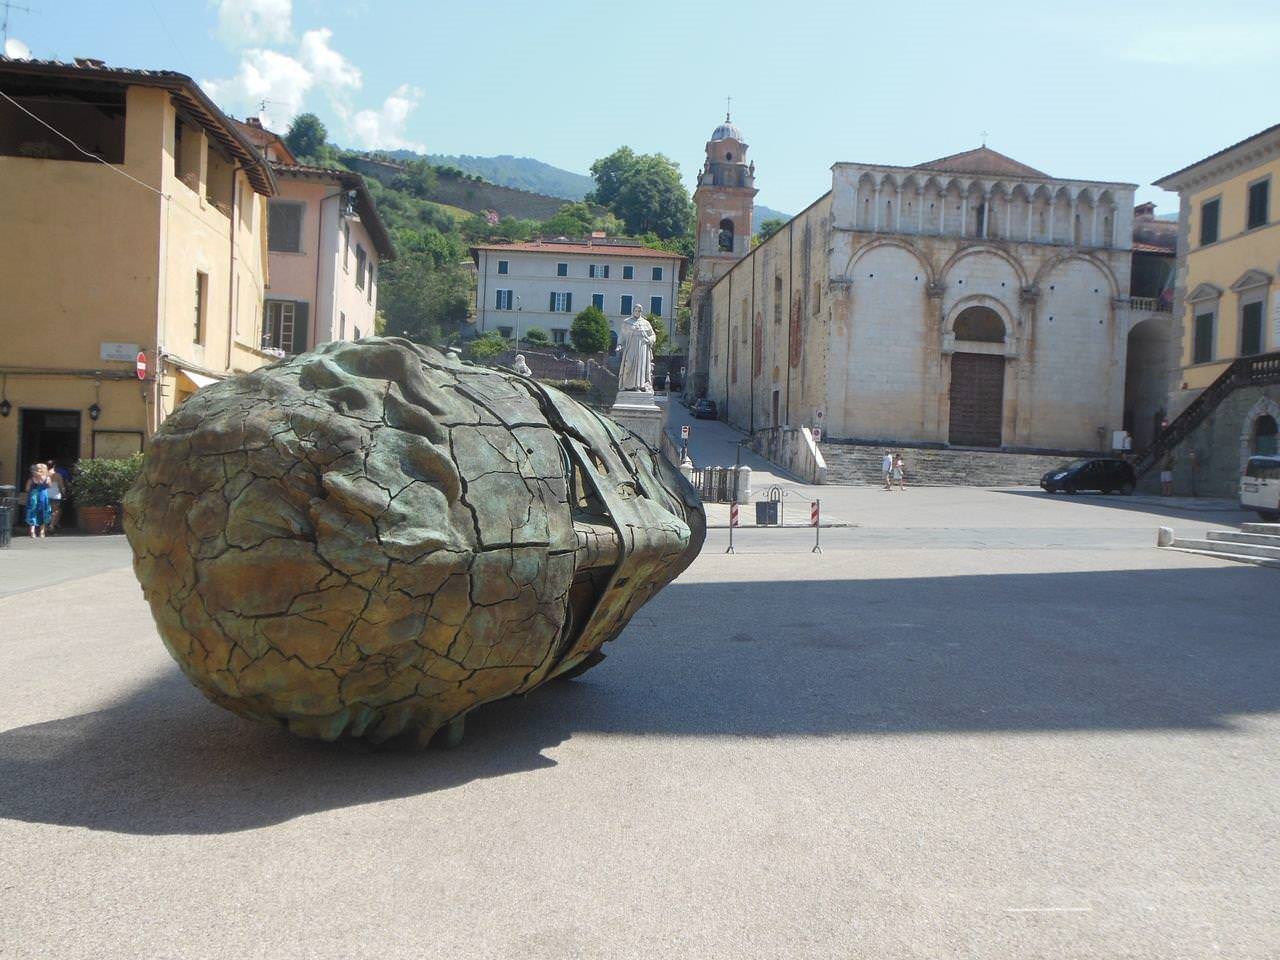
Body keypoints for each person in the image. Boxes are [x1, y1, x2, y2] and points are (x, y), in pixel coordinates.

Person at [24, 463, 52, 539]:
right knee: (43, 512)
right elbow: (49, 486)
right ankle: (42, 532)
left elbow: (27, 489)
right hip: (43, 496)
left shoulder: (31, 479)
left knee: (33, 512)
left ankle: (32, 532)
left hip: (34, 497)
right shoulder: (47, 478)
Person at [45, 459, 65, 531]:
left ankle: (45, 525)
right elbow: (61, 486)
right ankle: (52, 524)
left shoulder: (44, 475)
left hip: (46, 494)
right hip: (55, 495)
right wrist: (64, 494)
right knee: (55, 510)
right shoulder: (58, 475)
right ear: (54, 466)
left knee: (46, 510)